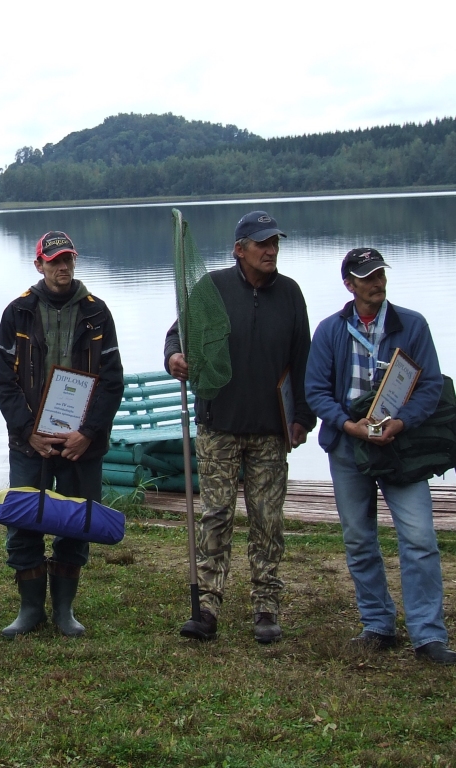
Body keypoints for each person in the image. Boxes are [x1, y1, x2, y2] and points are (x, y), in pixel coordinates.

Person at [165, 211, 316, 644]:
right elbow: (178, 336)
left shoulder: (290, 294)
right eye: (262, 243)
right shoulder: (211, 288)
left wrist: (303, 415)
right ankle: (208, 606)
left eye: (275, 243)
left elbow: (301, 358)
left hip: (271, 429)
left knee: (268, 519)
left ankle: (266, 607)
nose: (271, 251)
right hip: (218, 425)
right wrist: (174, 357)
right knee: (216, 515)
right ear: (239, 249)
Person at [305, 248, 456, 665]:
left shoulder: (413, 325)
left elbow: (430, 386)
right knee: (358, 540)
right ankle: (377, 625)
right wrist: (346, 424)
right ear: (349, 284)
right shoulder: (329, 331)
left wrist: (402, 422)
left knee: (421, 539)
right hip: (348, 448)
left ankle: (428, 636)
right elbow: (315, 391)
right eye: (367, 276)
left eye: (380, 274)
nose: (377, 282)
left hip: (401, 448)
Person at [0, 231, 125, 637]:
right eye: (53, 261)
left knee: (77, 523)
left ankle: (64, 611)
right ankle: (29, 610)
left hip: (80, 446)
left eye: (67, 259)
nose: (62, 267)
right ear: (39, 265)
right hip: (29, 443)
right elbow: (3, 383)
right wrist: (28, 431)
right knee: (24, 523)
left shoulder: (98, 313)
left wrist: (87, 433)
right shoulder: (17, 312)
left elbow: (112, 381)